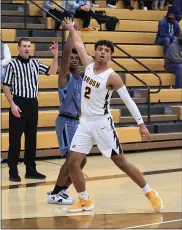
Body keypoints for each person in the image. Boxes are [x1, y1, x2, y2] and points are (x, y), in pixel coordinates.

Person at [63, 18, 163, 213]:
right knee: (73, 161)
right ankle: (84, 200)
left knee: (121, 163)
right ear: (95, 51)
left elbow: (129, 101)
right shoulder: (88, 64)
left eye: (106, 50)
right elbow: (78, 43)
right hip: (85, 122)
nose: (102, 52)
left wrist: (141, 124)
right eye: (100, 49)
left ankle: (150, 192)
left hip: (102, 123)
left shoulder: (112, 77)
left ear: (111, 56)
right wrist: (71, 29)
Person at [3, 38, 58, 182]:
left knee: (31, 139)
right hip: (18, 103)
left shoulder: (35, 63)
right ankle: (13, 171)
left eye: (29, 46)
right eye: (24, 46)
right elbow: (6, 86)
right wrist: (12, 104)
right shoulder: (12, 65)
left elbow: (52, 72)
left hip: (33, 104)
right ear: (18, 48)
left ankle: (30, 170)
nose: (27, 48)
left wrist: (55, 55)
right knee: (15, 140)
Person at [47, 32, 87, 204]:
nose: (73, 59)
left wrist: (77, 36)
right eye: (70, 57)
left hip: (77, 121)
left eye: (75, 57)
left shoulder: (82, 78)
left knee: (82, 160)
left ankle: (61, 190)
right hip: (65, 121)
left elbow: (89, 60)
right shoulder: (65, 78)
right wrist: (70, 33)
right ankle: (56, 193)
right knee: (72, 159)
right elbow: (65, 57)